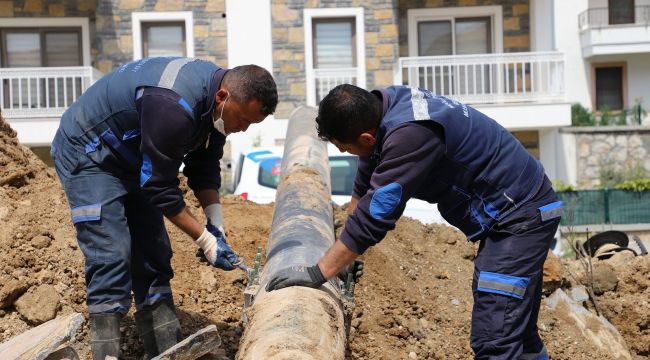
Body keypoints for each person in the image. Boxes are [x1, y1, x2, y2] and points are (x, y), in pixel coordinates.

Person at [266, 84, 561, 360]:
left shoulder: (411, 134)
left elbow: (376, 214)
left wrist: (320, 271)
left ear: (366, 138)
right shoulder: (384, 106)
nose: (344, 153)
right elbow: (367, 178)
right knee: (519, 333)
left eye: (344, 148)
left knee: (495, 335)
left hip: (520, 216)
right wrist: (341, 255)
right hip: (520, 207)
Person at [51, 57, 277, 359]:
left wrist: (216, 223)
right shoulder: (173, 104)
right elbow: (159, 187)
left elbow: (205, 166)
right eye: (243, 120)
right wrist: (205, 240)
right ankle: (106, 353)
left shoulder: (219, 107)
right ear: (223, 97)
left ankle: (167, 350)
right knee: (112, 253)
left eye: (252, 124)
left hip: (133, 159)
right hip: (90, 153)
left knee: (153, 253)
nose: (243, 128)